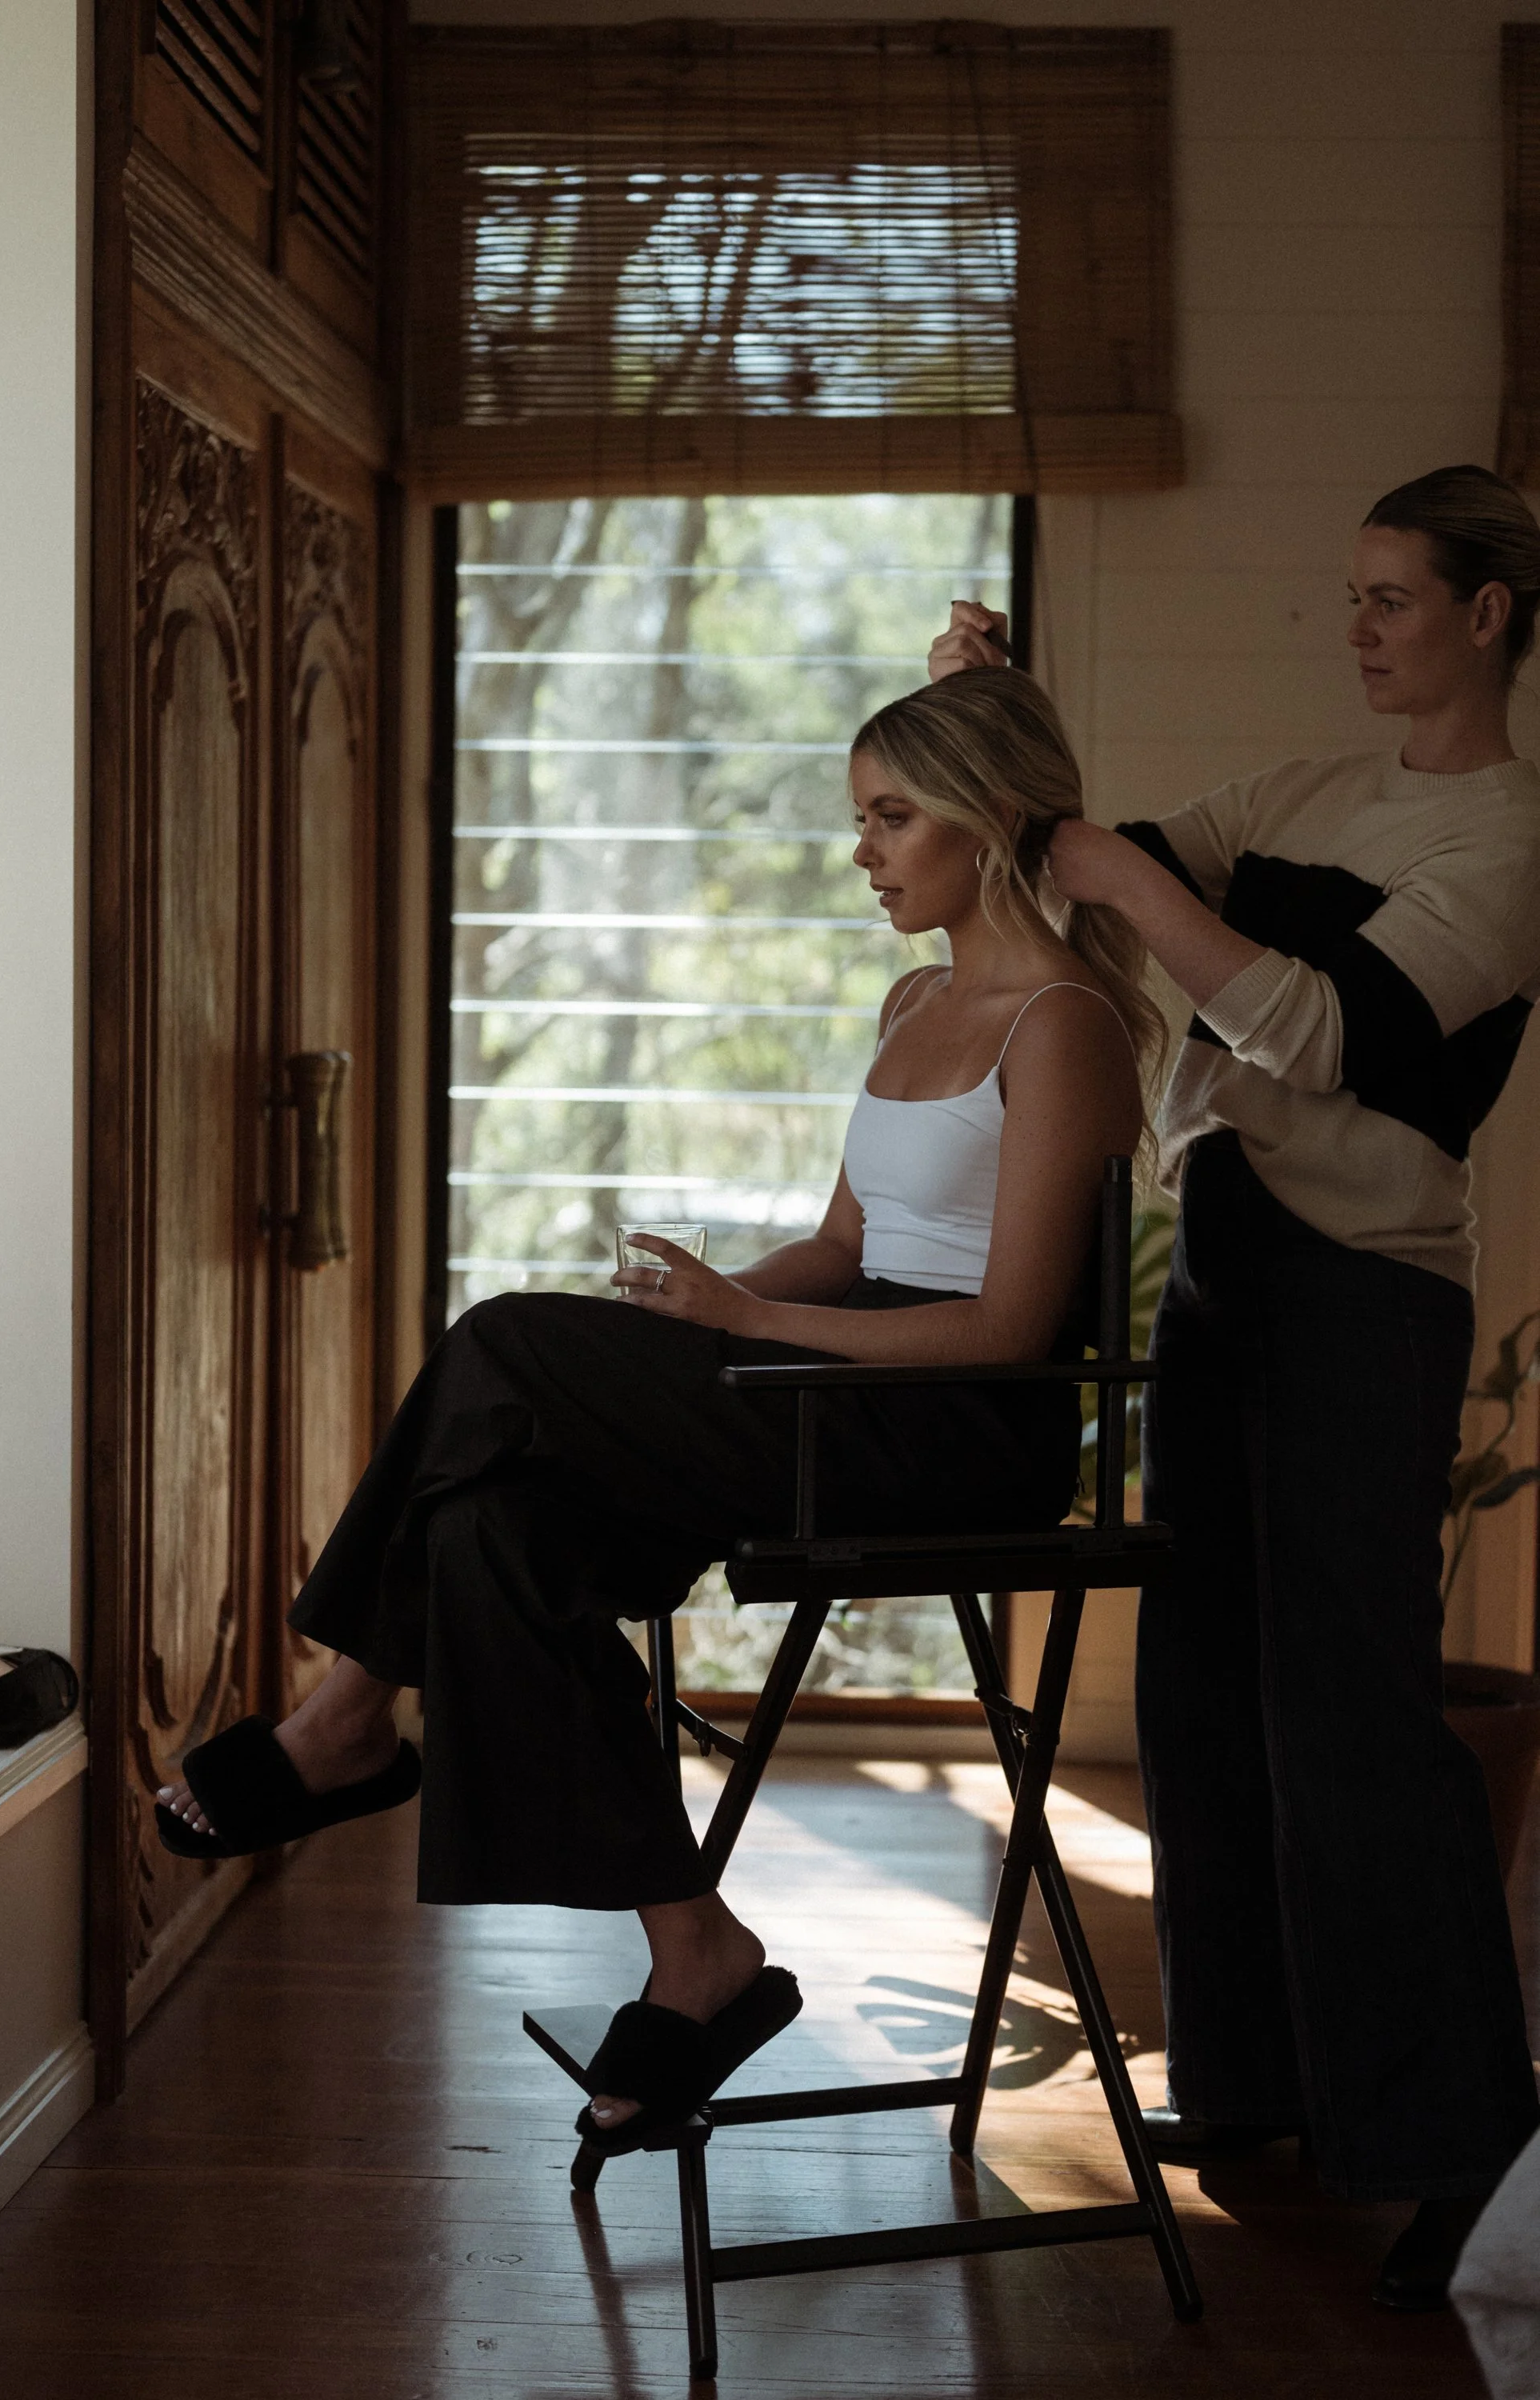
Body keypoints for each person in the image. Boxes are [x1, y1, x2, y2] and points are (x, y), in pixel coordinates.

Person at [154, 666, 1159, 2152]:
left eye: (892, 817)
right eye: (859, 819)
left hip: (958, 1429)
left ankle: (344, 1719)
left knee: (500, 1341)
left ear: (992, 819)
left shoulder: (1065, 1023)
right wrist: (694, 1316)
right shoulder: (917, 997)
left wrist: (743, 1328)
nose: (866, 850)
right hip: (835, 1383)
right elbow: (846, 1243)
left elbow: (1011, 1325)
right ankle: (698, 1951)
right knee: (498, 1524)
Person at [930, 462, 1540, 2309]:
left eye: (1386, 601)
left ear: (1485, 617)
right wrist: (997, 699)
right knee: (1199, 1693)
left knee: (1346, 1710)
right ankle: (1257, 2095)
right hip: (1220, 1271)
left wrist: (1117, 861)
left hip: (1362, 1297)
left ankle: (1445, 2133)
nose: (1351, 630)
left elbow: (1318, 1027)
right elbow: (1084, 881)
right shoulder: (1301, 790)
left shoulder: (1510, 841)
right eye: (1349, 596)